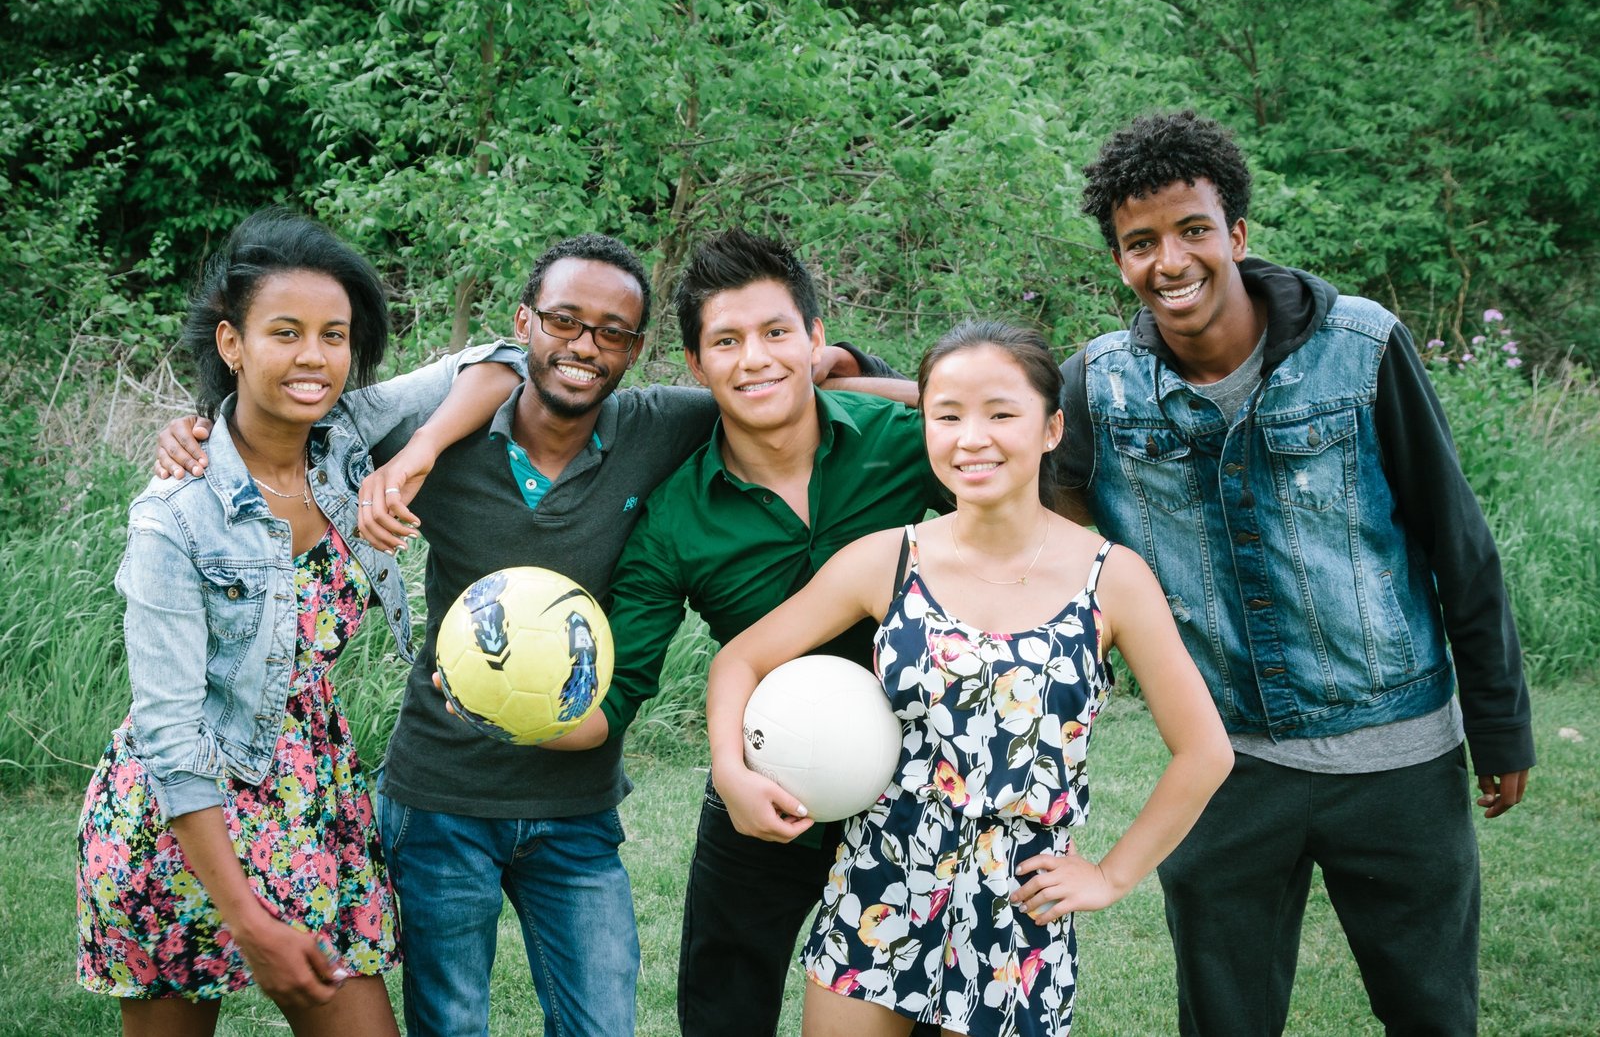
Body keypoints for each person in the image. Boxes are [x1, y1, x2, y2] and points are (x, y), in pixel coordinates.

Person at [156, 230, 900, 1036]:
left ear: (640, 351)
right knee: (452, 1022)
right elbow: (299, 414)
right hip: (439, 797)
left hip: (576, 811)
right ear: (525, 323)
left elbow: (784, 394)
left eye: (613, 333)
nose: (586, 346)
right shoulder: (427, 441)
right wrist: (198, 429)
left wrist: (843, 369)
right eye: (564, 322)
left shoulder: (660, 425)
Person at [1059, 110, 1536, 1035]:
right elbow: (988, 428)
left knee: (1434, 1013)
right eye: (1140, 242)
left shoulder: (1363, 346)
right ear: (1119, 259)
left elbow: (1456, 539)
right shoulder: (1099, 385)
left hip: (1398, 755)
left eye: (1193, 230)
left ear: (1236, 233)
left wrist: (1502, 719)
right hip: (1225, 767)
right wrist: (848, 370)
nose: (1171, 261)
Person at [704, 321, 1232, 1036]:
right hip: (881, 881)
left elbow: (1206, 752)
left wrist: (1110, 876)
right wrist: (733, 772)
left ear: (1050, 428)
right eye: (946, 415)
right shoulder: (888, 560)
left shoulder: (1112, 577)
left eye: (1000, 413)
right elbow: (741, 658)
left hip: (1018, 905)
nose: (970, 437)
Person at [78, 209, 520, 1037]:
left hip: (311, 799)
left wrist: (412, 457)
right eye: (285, 332)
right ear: (231, 344)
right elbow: (171, 736)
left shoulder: (352, 434)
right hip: (181, 823)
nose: (314, 356)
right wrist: (245, 917)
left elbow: (505, 360)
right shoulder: (174, 515)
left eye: (334, 335)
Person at [543, 228, 941, 1037]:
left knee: (930, 1004)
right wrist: (510, 708)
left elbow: (1022, 423)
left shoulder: (909, 445)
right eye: (726, 340)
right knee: (723, 1003)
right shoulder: (674, 515)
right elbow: (613, 697)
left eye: (775, 333)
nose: (754, 358)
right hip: (765, 771)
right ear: (695, 365)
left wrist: (894, 390)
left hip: (927, 779)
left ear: (817, 340)